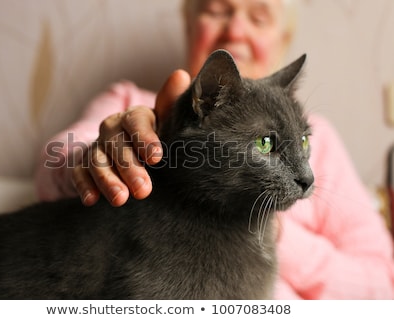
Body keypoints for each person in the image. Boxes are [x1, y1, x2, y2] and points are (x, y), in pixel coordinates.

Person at [35, 0, 394, 299]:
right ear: (190, 26)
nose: (236, 30)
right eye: (218, 10)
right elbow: (57, 161)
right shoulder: (129, 102)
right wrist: (98, 161)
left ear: (282, 39)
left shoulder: (320, 136)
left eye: (258, 17)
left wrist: (271, 231)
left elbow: (383, 280)